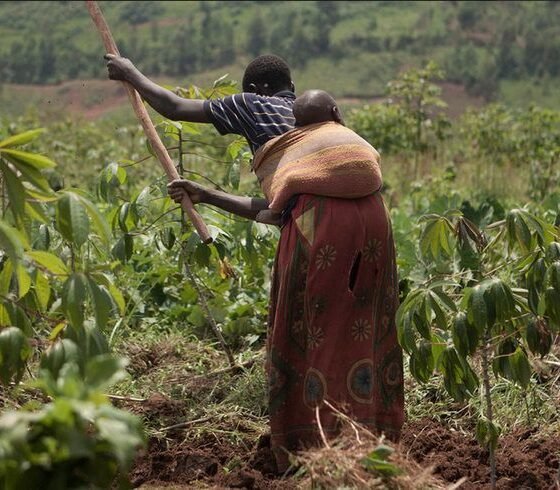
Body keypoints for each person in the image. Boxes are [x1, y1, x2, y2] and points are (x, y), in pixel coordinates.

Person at [168, 90, 405, 473]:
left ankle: (314, 443)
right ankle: (376, 437)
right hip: (375, 235)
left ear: (295, 124)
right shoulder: (355, 146)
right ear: (335, 112)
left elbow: (275, 211)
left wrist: (206, 196)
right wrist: (208, 195)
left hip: (319, 238)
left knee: (311, 329)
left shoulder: (291, 154)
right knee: (368, 324)